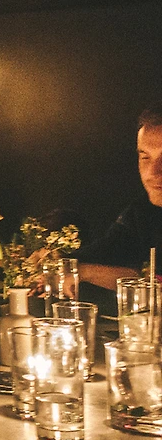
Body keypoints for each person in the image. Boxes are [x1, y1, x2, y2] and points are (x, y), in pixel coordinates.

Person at [77, 102, 162, 306]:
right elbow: (105, 252)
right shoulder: (142, 213)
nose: (153, 172)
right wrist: (57, 260)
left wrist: (85, 271)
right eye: (145, 158)